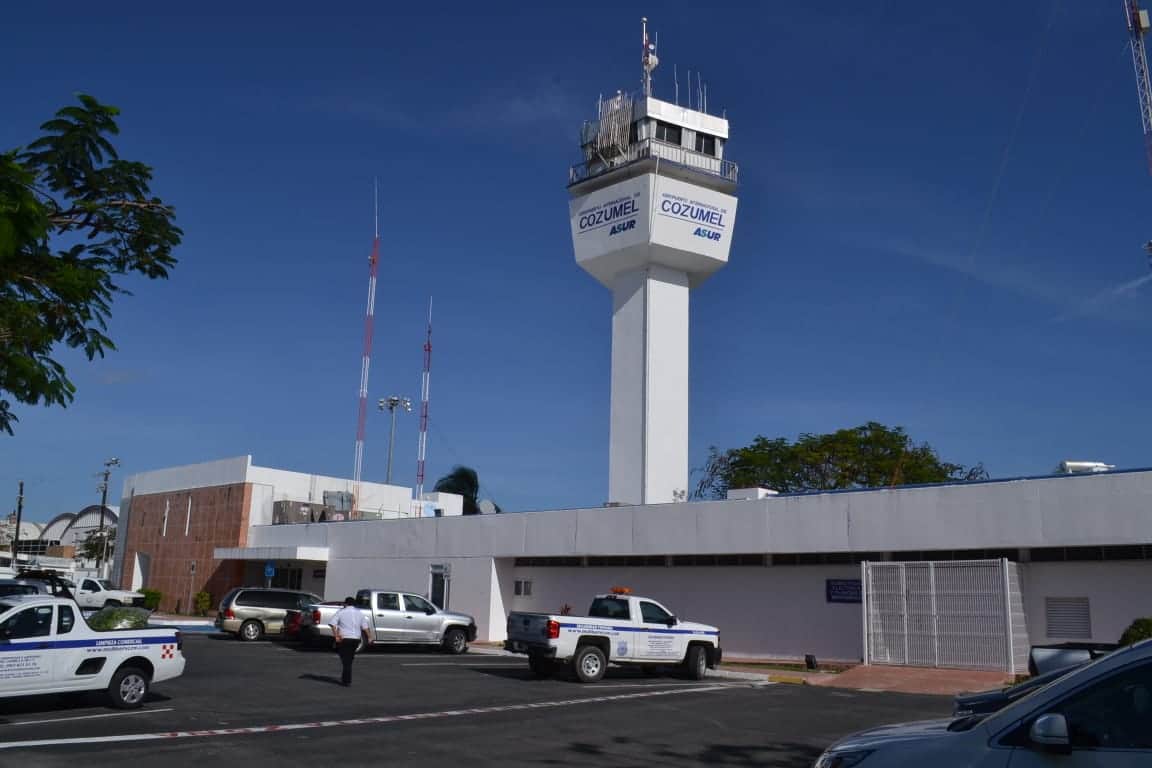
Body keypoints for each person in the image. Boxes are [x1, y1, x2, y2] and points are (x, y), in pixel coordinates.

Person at [329, 596, 370, 687]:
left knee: (345, 659)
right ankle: (345, 678)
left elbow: (332, 624)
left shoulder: (341, 612)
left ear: (346, 603)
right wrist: (370, 637)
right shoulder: (359, 613)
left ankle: (347, 680)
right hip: (356, 639)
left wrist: (336, 636)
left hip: (345, 638)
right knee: (349, 658)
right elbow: (365, 627)